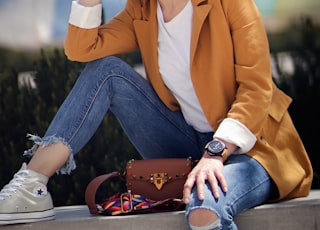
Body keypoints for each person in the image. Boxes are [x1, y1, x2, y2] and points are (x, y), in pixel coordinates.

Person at [0, 0, 313, 229]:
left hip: (252, 149)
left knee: (205, 208)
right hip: (187, 145)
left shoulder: (228, 3)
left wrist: (215, 153)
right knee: (106, 71)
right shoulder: (143, 10)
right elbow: (82, 49)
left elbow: (257, 90)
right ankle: (32, 185)